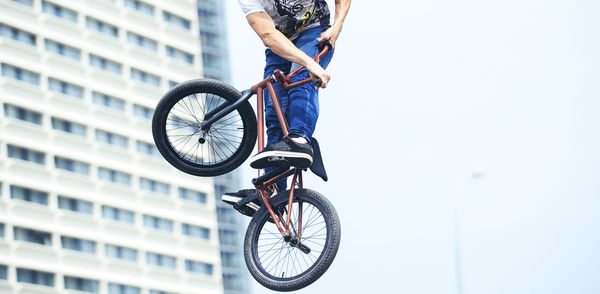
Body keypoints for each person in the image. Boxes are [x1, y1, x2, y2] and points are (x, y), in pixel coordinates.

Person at [222, 0, 351, 215]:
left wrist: (337, 26)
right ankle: (272, 191)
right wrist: (308, 62)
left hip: (315, 29)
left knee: (302, 77)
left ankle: (300, 139)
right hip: (280, 40)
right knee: (273, 111)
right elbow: (267, 35)